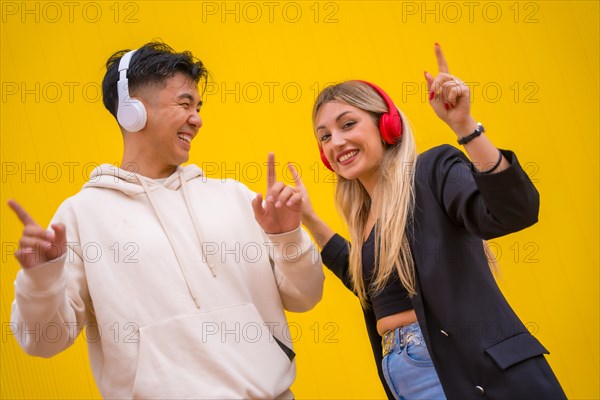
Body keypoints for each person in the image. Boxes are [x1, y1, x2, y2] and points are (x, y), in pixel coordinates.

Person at [7, 41, 324, 399]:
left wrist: (288, 238)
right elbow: (43, 341)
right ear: (132, 111)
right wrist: (41, 280)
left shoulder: (235, 197)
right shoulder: (82, 215)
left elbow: (306, 296)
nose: (197, 118)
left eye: (199, 107)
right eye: (185, 103)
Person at [288, 44, 566, 399]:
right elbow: (365, 278)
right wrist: (309, 218)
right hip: (405, 376)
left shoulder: (431, 171)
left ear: (385, 124)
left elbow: (513, 211)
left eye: (348, 124)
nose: (336, 141)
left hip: (460, 369)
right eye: (324, 136)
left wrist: (465, 127)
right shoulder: (367, 218)